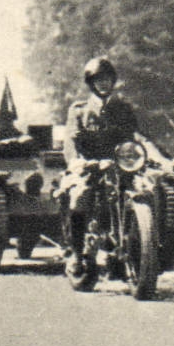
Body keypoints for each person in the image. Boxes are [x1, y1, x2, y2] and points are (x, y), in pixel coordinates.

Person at [60, 57, 145, 281]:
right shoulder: (78, 110)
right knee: (80, 196)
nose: (104, 84)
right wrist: (81, 163)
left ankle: (136, 250)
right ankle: (77, 254)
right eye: (99, 80)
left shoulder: (123, 109)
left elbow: (135, 138)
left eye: (107, 79)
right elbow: (70, 145)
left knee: (144, 195)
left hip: (119, 167)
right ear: (91, 83)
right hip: (89, 168)